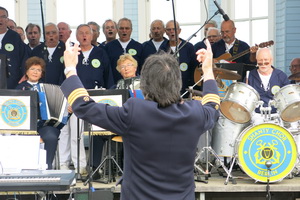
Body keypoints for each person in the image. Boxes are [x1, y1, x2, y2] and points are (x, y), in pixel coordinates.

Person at [61, 37, 219, 199]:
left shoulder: (135, 112)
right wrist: (207, 70)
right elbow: (213, 105)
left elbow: (85, 107)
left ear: (144, 85)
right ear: (177, 83)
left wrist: (71, 69)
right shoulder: (194, 114)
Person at [59, 24, 114, 174]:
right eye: (81, 33)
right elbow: (64, 76)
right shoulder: (71, 53)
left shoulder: (100, 53)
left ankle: (90, 166)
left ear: (92, 36)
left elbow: (108, 77)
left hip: (96, 98)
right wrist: (68, 99)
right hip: (74, 97)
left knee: (96, 132)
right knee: (72, 132)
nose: (84, 36)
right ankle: (75, 165)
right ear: (76, 36)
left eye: (87, 33)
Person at [16, 56, 61, 169]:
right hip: (25, 125)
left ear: (42, 73)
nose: (35, 72)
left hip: (44, 124)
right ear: (26, 71)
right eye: (32, 69)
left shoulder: (47, 88)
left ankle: (48, 166)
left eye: (39, 70)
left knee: (51, 137)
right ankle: (24, 167)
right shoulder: (19, 89)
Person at [160, 20, 198, 98]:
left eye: (174, 29)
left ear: (179, 31)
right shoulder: (162, 48)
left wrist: (194, 88)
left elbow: (194, 69)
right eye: (169, 30)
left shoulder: (188, 47)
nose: (172, 32)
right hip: (168, 91)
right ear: (165, 32)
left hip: (187, 90)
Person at [246, 48, 289, 117]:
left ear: (271, 60)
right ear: (256, 60)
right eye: (260, 60)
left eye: (266, 60)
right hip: (255, 116)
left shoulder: (281, 76)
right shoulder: (250, 76)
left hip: (277, 115)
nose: (263, 63)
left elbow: (288, 97)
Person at [104, 17, 143, 84]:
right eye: (121, 28)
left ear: (131, 30)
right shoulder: (109, 47)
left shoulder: (139, 47)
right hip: (114, 86)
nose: (124, 31)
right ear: (117, 30)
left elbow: (142, 68)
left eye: (127, 28)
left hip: (134, 85)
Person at [0, 6, 28, 89]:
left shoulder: (14, 37)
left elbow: (23, 57)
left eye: (3, 17)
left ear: (7, 20)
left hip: (12, 81)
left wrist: (25, 74)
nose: (0, 19)